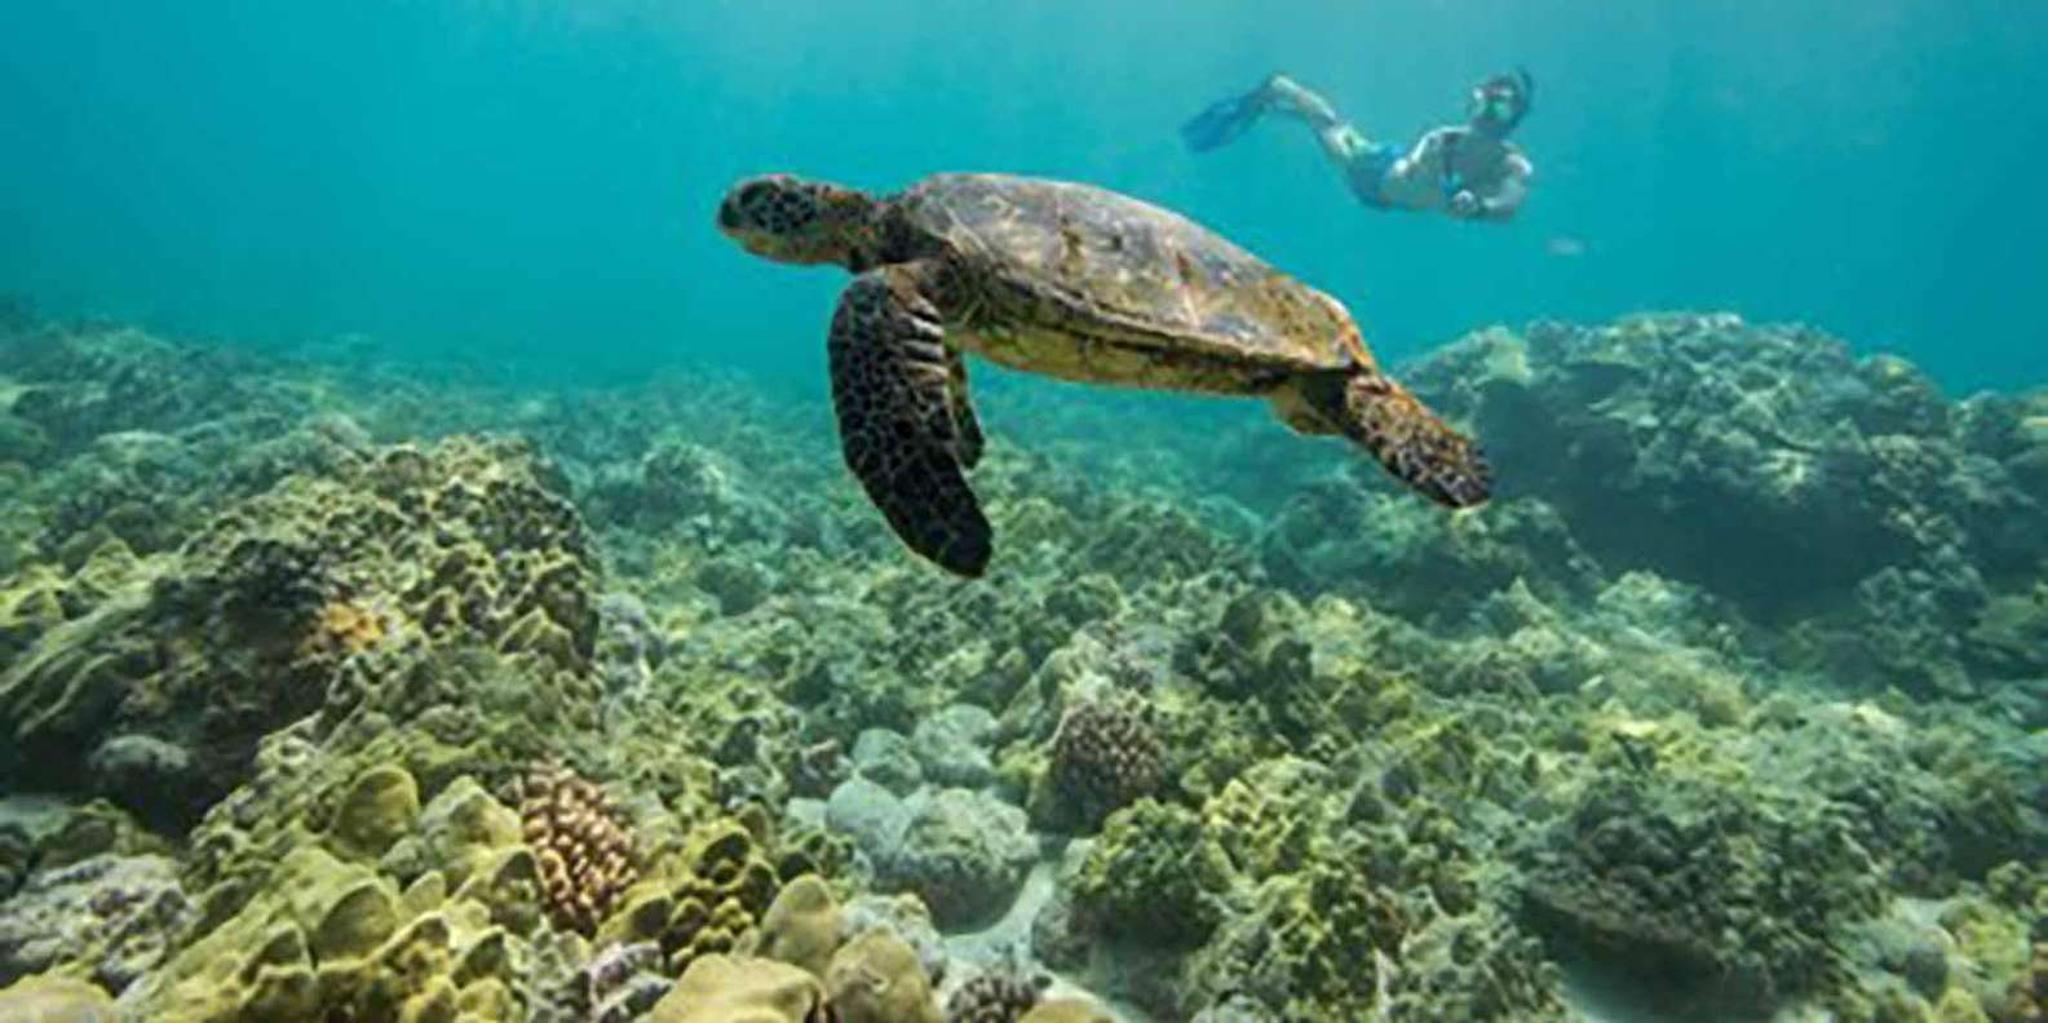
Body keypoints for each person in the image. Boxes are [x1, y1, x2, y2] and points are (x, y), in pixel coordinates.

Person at [1182, 69, 1535, 222]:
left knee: (1330, 125)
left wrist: (1483, 207)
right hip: (1371, 171)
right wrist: (1478, 206)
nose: (1487, 112)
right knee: (1328, 125)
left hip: (1384, 189)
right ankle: (1281, 89)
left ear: (1514, 114)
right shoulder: (1448, 138)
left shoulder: (1511, 163)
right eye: (1484, 101)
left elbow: (1511, 199)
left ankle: (1282, 100)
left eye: (1499, 106)